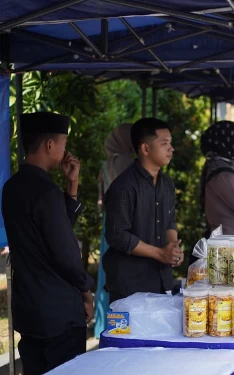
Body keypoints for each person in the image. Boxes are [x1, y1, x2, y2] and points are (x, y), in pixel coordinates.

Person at [1, 112, 94, 375]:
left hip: (29, 310)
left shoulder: (12, 187)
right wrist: (86, 292)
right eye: (63, 142)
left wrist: (71, 186)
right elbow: (65, 252)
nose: (66, 150)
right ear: (50, 145)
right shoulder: (46, 193)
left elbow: (53, 233)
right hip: (58, 314)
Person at [103, 118, 182, 303]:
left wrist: (173, 249)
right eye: (164, 143)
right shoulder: (124, 186)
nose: (171, 148)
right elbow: (117, 235)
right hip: (131, 285)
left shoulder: (166, 184)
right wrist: (160, 253)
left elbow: (170, 221)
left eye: (170, 143)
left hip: (161, 279)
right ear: (145, 149)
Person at [95, 123, 134, 337]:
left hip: (108, 224)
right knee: (124, 272)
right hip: (125, 223)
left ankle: (107, 325)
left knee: (108, 273)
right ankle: (123, 328)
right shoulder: (128, 163)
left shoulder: (105, 165)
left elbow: (100, 202)